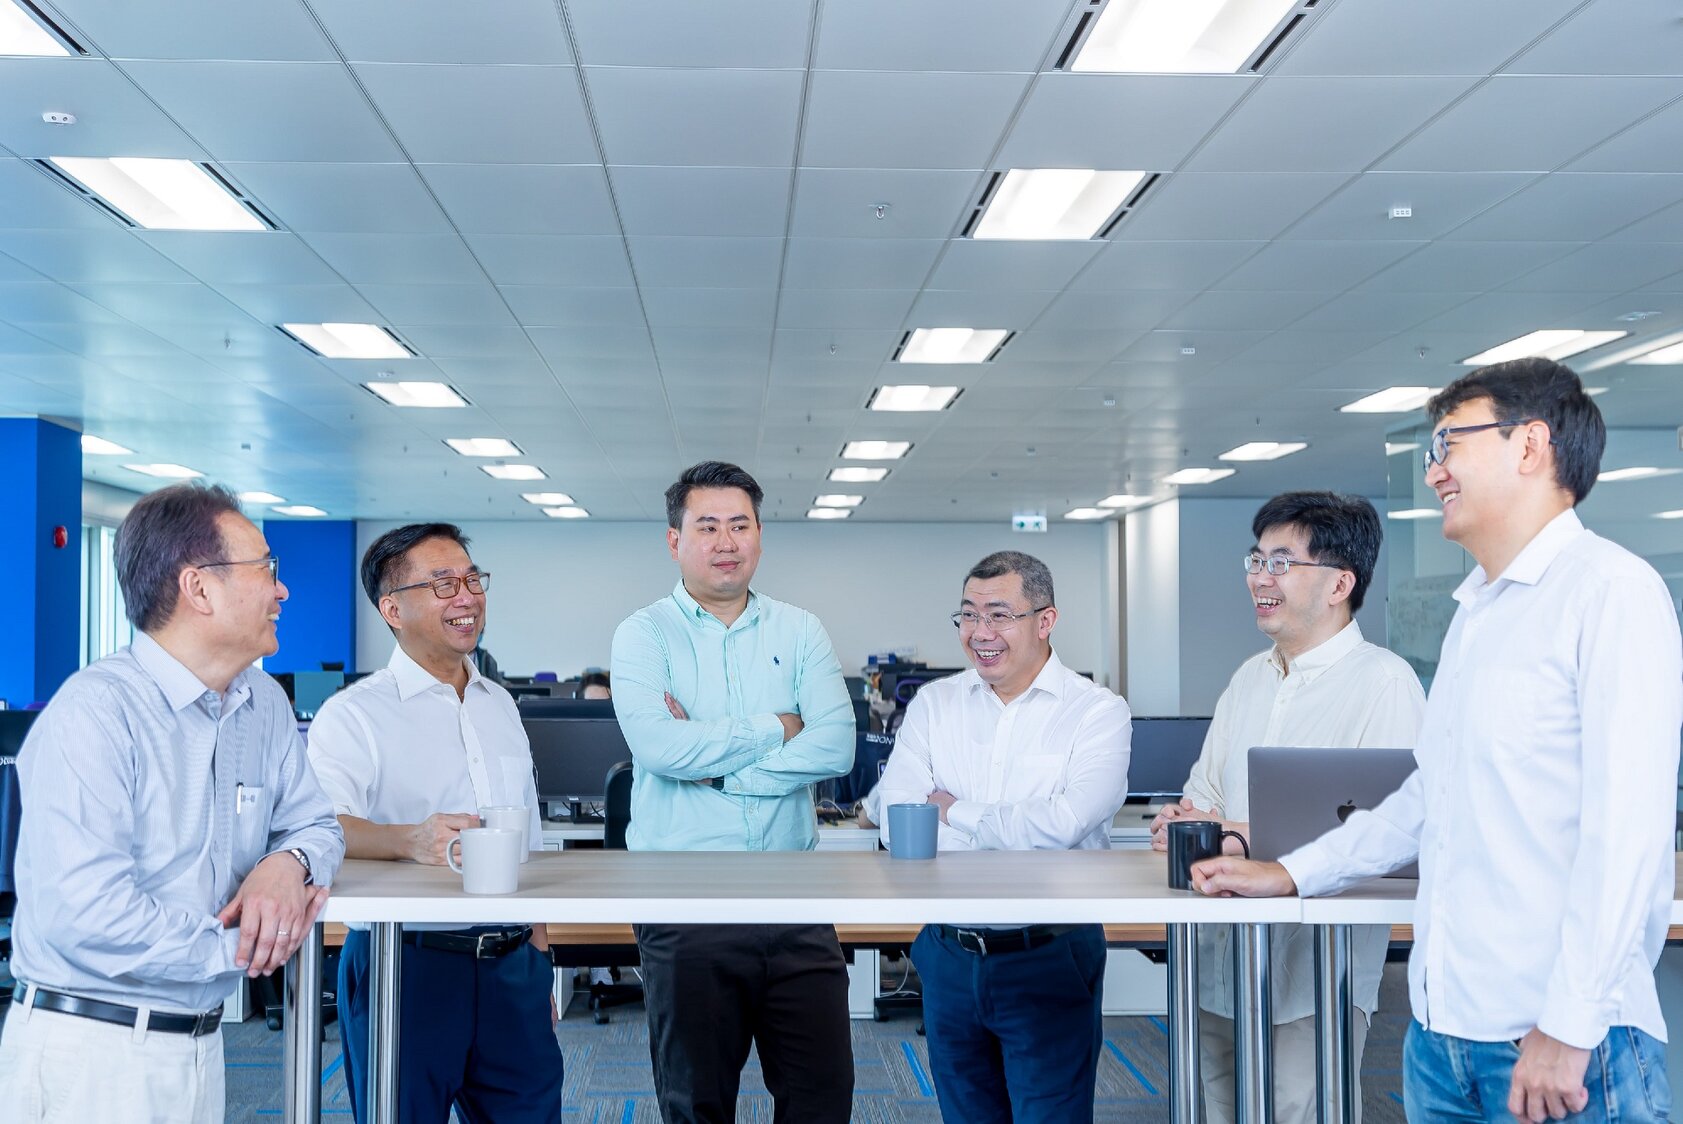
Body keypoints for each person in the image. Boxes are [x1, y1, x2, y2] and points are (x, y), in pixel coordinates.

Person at [1193, 358, 1683, 1124]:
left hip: (1561, 1040)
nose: (1434, 471)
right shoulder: (1476, 614)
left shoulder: (1608, 593)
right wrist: (1290, 872)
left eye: (1449, 444)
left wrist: (1567, 1025)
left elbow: (1629, 834)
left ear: (1529, 445)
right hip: (1443, 1031)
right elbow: (1425, 797)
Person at [0, 482, 343, 1123]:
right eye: (267, 568)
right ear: (199, 589)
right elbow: (86, 916)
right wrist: (247, 947)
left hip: (200, 1045)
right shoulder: (95, 715)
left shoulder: (262, 705)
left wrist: (288, 863)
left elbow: (316, 823)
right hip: (91, 1057)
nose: (282, 589)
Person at [1150, 492, 1425, 1124]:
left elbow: (1389, 832)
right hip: (1218, 955)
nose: (1258, 578)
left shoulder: (1384, 683)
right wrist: (1186, 820)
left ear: (1339, 583)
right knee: (1210, 1105)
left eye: (1280, 562)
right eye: (1255, 559)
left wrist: (1236, 833)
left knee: (1302, 1110)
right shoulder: (1249, 677)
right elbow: (1207, 792)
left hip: (1314, 972)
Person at [611, 460, 855, 1124]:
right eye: (708, 525)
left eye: (739, 525)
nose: (725, 542)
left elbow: (835, 745)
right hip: (685, 903)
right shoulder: (643, 633)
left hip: (795, 897)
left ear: (759, 535)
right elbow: (659, 749)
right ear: (675, 540)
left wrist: (720, 770)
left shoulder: (799, 629)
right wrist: (778, 727)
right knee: (697, 1105)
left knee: (822, 1100)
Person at [307, 523, 562, 1124]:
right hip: (406, 965)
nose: (467, 597)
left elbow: (526, 835)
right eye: (443, 584)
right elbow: (318, 830)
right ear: (392, 608)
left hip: (512, 966)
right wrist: (409, 841)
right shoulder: (356, 715)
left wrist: (541, 955)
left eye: (473, 579)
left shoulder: (500, 705)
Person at [876, 550, 1133, 1123]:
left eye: (999, 615)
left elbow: (1066, 823)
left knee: (1051, 1116)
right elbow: (897, 815)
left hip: (1048, 951)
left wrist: (955, 812)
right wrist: (1012, 826)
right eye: (968, 615)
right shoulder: (935, 704)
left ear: (1046, 621)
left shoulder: (1097, 712)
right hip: (947, 952)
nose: (980, 633)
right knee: (965, 1115)